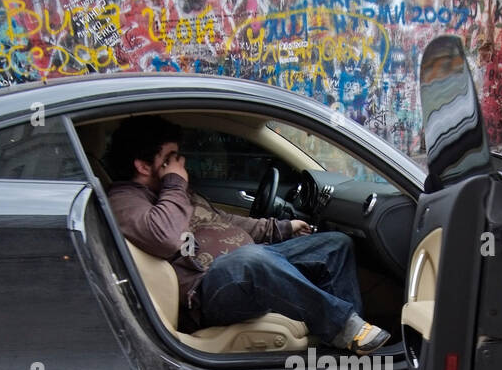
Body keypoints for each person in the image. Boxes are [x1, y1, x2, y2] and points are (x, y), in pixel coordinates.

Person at [104, 116, 390, 354]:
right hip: (208, 291)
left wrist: (280, 228)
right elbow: (165, 236)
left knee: (334, 245)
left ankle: (346, 346)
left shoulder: (172, 192)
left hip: (247, 266)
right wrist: (175, 183)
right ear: (142, 166)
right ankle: (343, 326)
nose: (180, 165)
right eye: (169, 159)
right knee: (249, 260)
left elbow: (220, 221)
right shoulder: (125, 199)